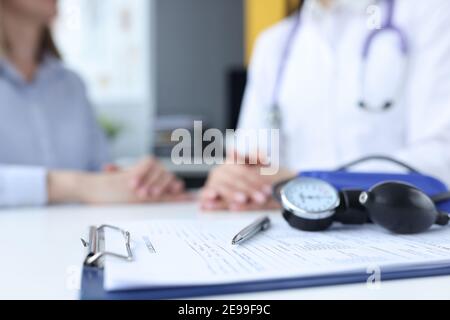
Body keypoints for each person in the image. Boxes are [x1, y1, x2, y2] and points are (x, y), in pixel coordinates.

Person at [201, 0, 450, 211]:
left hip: (404, 234)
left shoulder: (431, 14)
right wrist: (232, 181)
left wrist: (310, 182)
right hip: (294, 241)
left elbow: (441, 159)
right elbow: (252, 163)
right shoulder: (274, 44)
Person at [0, 0, 186, 208]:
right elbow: (88, 185)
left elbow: (99, 169)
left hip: (73, 234)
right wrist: (76, 185)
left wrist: (137, 181)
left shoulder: (71, 85)